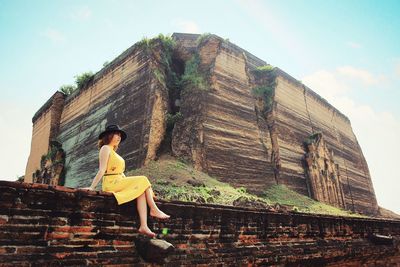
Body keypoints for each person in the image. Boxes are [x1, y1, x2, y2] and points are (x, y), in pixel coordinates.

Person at [81, 124, 170, 238]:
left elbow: (121, 173)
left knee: (141, 191)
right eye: (116, 134)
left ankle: (143, 226)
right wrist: (92, 187)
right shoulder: (105, 148)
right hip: (111, 182)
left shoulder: (114, 153)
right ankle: (153, 208)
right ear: (109, 136)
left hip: (119, 180)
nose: (118, 137)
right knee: (143, 179)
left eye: (119, 135)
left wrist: (130, 183)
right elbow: (102, 169)